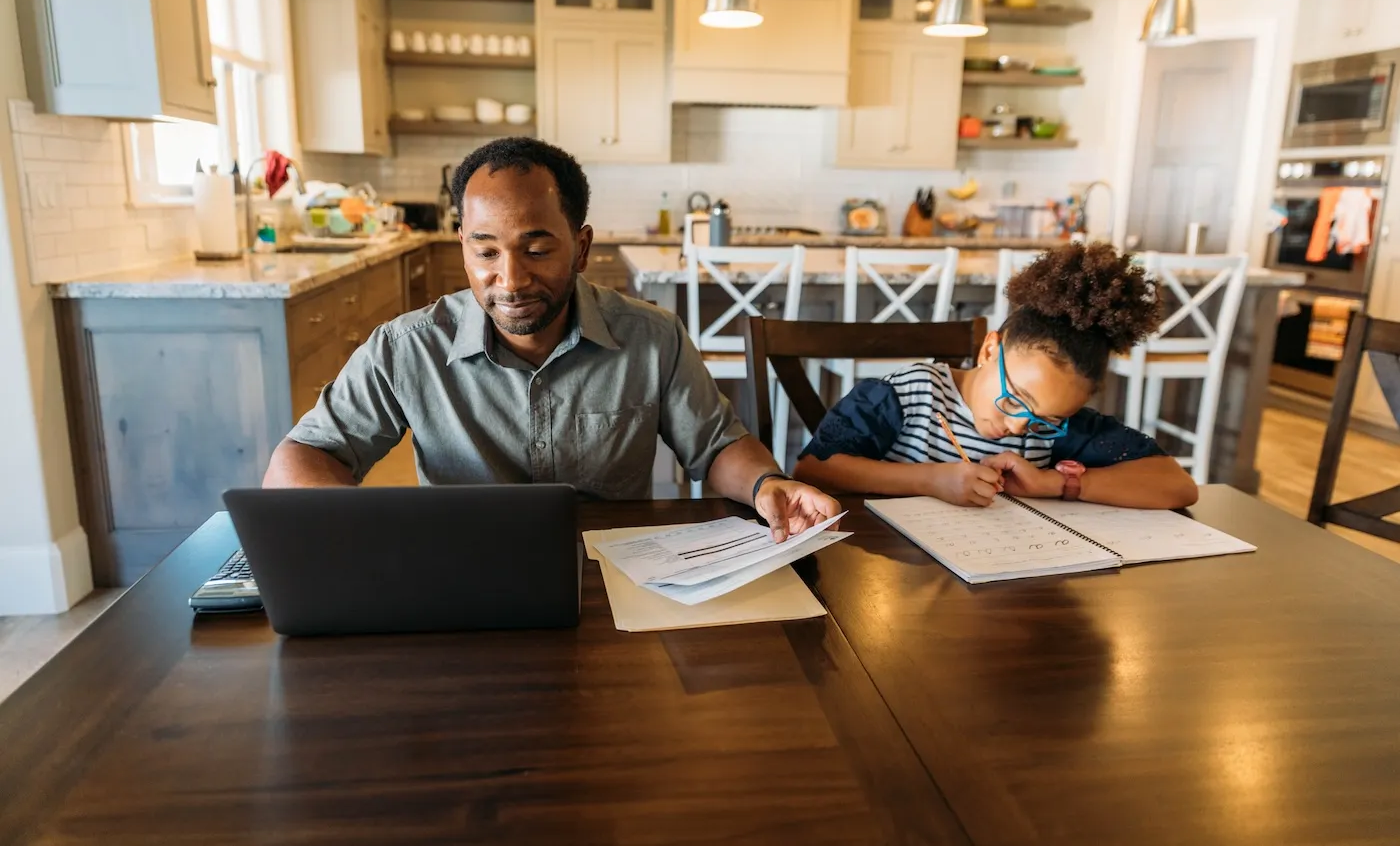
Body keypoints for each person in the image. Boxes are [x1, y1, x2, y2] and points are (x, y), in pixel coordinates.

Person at [264, 137, 838, 542]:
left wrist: (769, 483)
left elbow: (716, 447)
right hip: (462, 576)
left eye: (537, 250)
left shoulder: (651, 337)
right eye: (486, 252)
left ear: (582, 248)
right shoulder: (406, 347)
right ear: (461, 244)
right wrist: (355, 537)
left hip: (614, 579)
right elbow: (309, 455)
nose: (509, 280)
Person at [793, 242, 1198, 510]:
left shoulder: (1053, 426)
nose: (1020, 426)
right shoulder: (906, 397)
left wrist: (1053, 484)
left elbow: (1177, 485)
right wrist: (932, 480)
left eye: (1044, 419)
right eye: (1014, 398)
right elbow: (814, 469)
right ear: (989, 350)